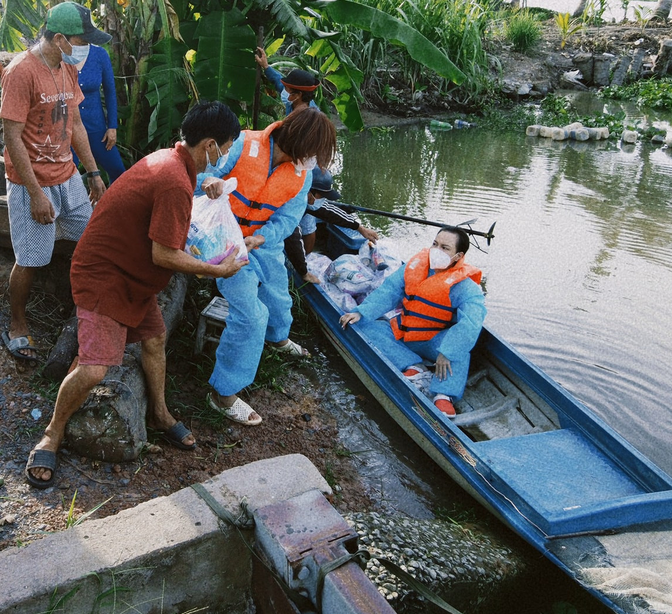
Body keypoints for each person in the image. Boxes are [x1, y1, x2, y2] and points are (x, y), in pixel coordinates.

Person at [24, 102, 246, 488]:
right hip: (104, 277)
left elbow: (166, 209)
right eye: (224, 147)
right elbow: (164, 253)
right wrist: (216, 269)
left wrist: (203, 183)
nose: (224, 156)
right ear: (209, 144)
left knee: (156, 339)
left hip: (133, 277)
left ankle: (159, 413)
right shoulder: (174, 180)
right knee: (94, 369)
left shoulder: (174, 163)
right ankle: (52, 432)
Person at [200, 107, 337, 425]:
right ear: (299, 141)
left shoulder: (302, 176)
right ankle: (223, 393)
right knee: (251, 315)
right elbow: (202, 174)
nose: (315, 160)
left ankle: (277, 339)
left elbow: (288, 218)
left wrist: (261, 239)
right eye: (314, 151)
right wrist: (208, 181)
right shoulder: (242, 143)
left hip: (262, 242)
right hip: (224, 240)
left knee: (278, 295)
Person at [0, 1, 109, 362]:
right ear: (59, 38)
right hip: (32, 180)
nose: (85, 47)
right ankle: (16, 323)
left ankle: (80, 306)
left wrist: (92, 172)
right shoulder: (21, 72)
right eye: (80, 39)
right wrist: (35, 194)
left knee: (91, 240)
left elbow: (75, 124)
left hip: (68, 176)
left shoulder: (67, 68)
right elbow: (12, 138)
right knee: (30, 259)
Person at [339, 228, 486, 417]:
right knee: (363, 325)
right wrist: (361, 312)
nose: (436, 250)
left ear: (458, 256)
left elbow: (471, 324)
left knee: (460, 350)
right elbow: (390, 291)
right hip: (405, 332)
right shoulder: (416, 266)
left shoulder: (467, 287)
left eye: (445, 247)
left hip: (435, 340)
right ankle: (414, 366)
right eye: (435, 244)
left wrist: (447, 352)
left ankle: (443, 394)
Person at [286, 168, 380, 284]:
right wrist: (303, 272)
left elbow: (330, 212)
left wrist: (359, 228)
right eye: (322, 196)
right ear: (309, 192)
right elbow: (293, 239)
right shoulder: (290, 205)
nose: (324, 200)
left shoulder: (308, 200)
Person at [72, 42, 127, 183]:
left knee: (118, 171)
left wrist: (112, 126)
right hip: (69, 129)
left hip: (97, 127)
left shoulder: (99, 54)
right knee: (69, 175)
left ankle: (114, 204)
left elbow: (110, 91)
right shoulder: (61, 54)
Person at [254, 46, 319, 115]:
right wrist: (266, 66)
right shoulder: (294, 101)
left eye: (286, 88)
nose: (284, 90)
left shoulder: (311, 118)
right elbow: (277, 80)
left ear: (298, 95)